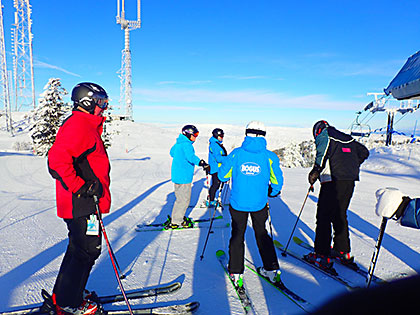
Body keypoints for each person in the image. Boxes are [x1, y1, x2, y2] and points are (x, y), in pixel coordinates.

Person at [47, 82, 111, 315]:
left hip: (82, 202)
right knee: (87, 251)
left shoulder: (86, 124)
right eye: (101, 102)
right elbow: (56, 161)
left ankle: (65, 295)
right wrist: (81, 187)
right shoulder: (80, 125)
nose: (104, 107)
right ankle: (69, 304)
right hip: (80, 204)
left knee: (78, 249)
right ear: (88, 102)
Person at [218, 121, 283, 290]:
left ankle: (236, 272)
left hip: (238, 204)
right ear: (264, 135)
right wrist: (272, 192)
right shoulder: (270, 156)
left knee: (237, 234)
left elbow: (223, 176)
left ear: (246, 134)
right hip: (260, 204)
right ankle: (272, 269)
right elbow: (277, 183)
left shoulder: (236, 154)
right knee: (262, 233)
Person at [304, 120, 369, 273]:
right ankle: (343, 251)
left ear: (317, 131)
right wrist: (351, 164)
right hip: (349, 181)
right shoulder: (348, 138)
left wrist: (315, 171)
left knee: (324, 217)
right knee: (340, 215)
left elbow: (322, 152)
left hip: (332, 182)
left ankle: (321, 255)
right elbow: (364, 152)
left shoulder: (326, 135)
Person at [165, 124, 210, 229]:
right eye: (195, 134)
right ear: (188, 134)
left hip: (177, 176)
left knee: (180, 199)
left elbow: (172, 153)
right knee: (184, 200)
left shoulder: (179, 143)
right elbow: (191, 157)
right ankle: (177, 221)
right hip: (184, 177)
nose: (196, 137)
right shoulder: (187, 145)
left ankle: (176, 217)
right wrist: (202, 163)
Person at [207, 128, 228, 207]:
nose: (222, 137)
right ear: (216, 135)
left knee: (216, 184)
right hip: (215, 168)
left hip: (218, 168)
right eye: (221, 135)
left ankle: (211, 198)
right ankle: (211, 200)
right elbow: (218, 158)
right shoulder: (214, 145)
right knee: (216, 184)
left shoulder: (216, 143)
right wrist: (228, 159)